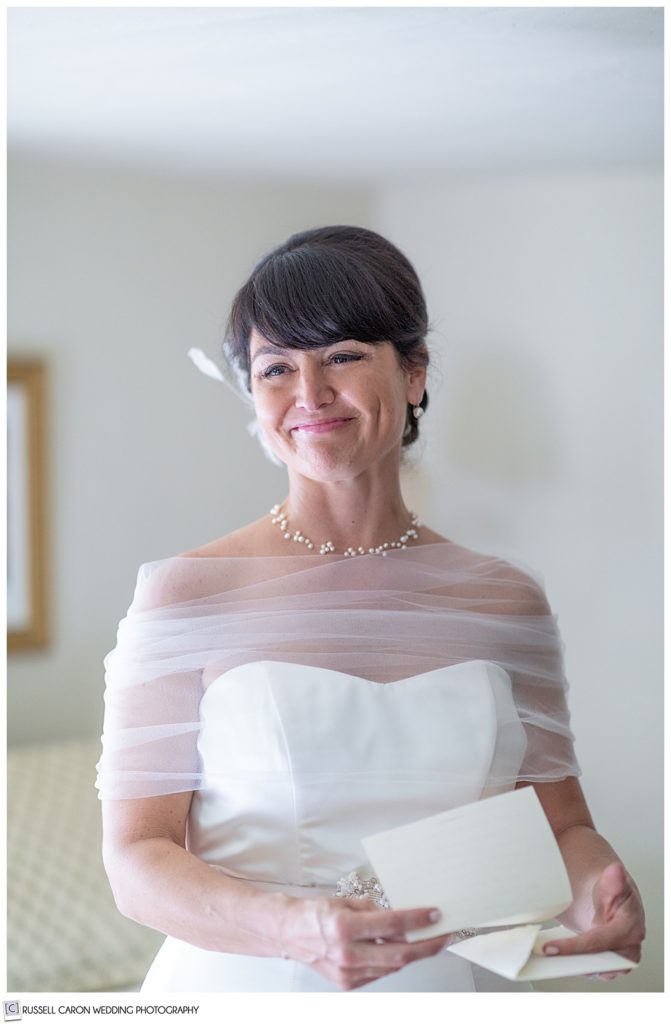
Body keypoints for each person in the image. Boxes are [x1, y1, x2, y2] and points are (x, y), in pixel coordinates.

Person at [96, 225, 645, 993]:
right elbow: (136, 861)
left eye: (343, 356)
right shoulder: (187, 593)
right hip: (245, 986)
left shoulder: (503, 599)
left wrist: (604, 895)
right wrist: (294, 929)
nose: (309, 395)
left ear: (414, 371)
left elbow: (560, 830)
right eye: (276, 368)